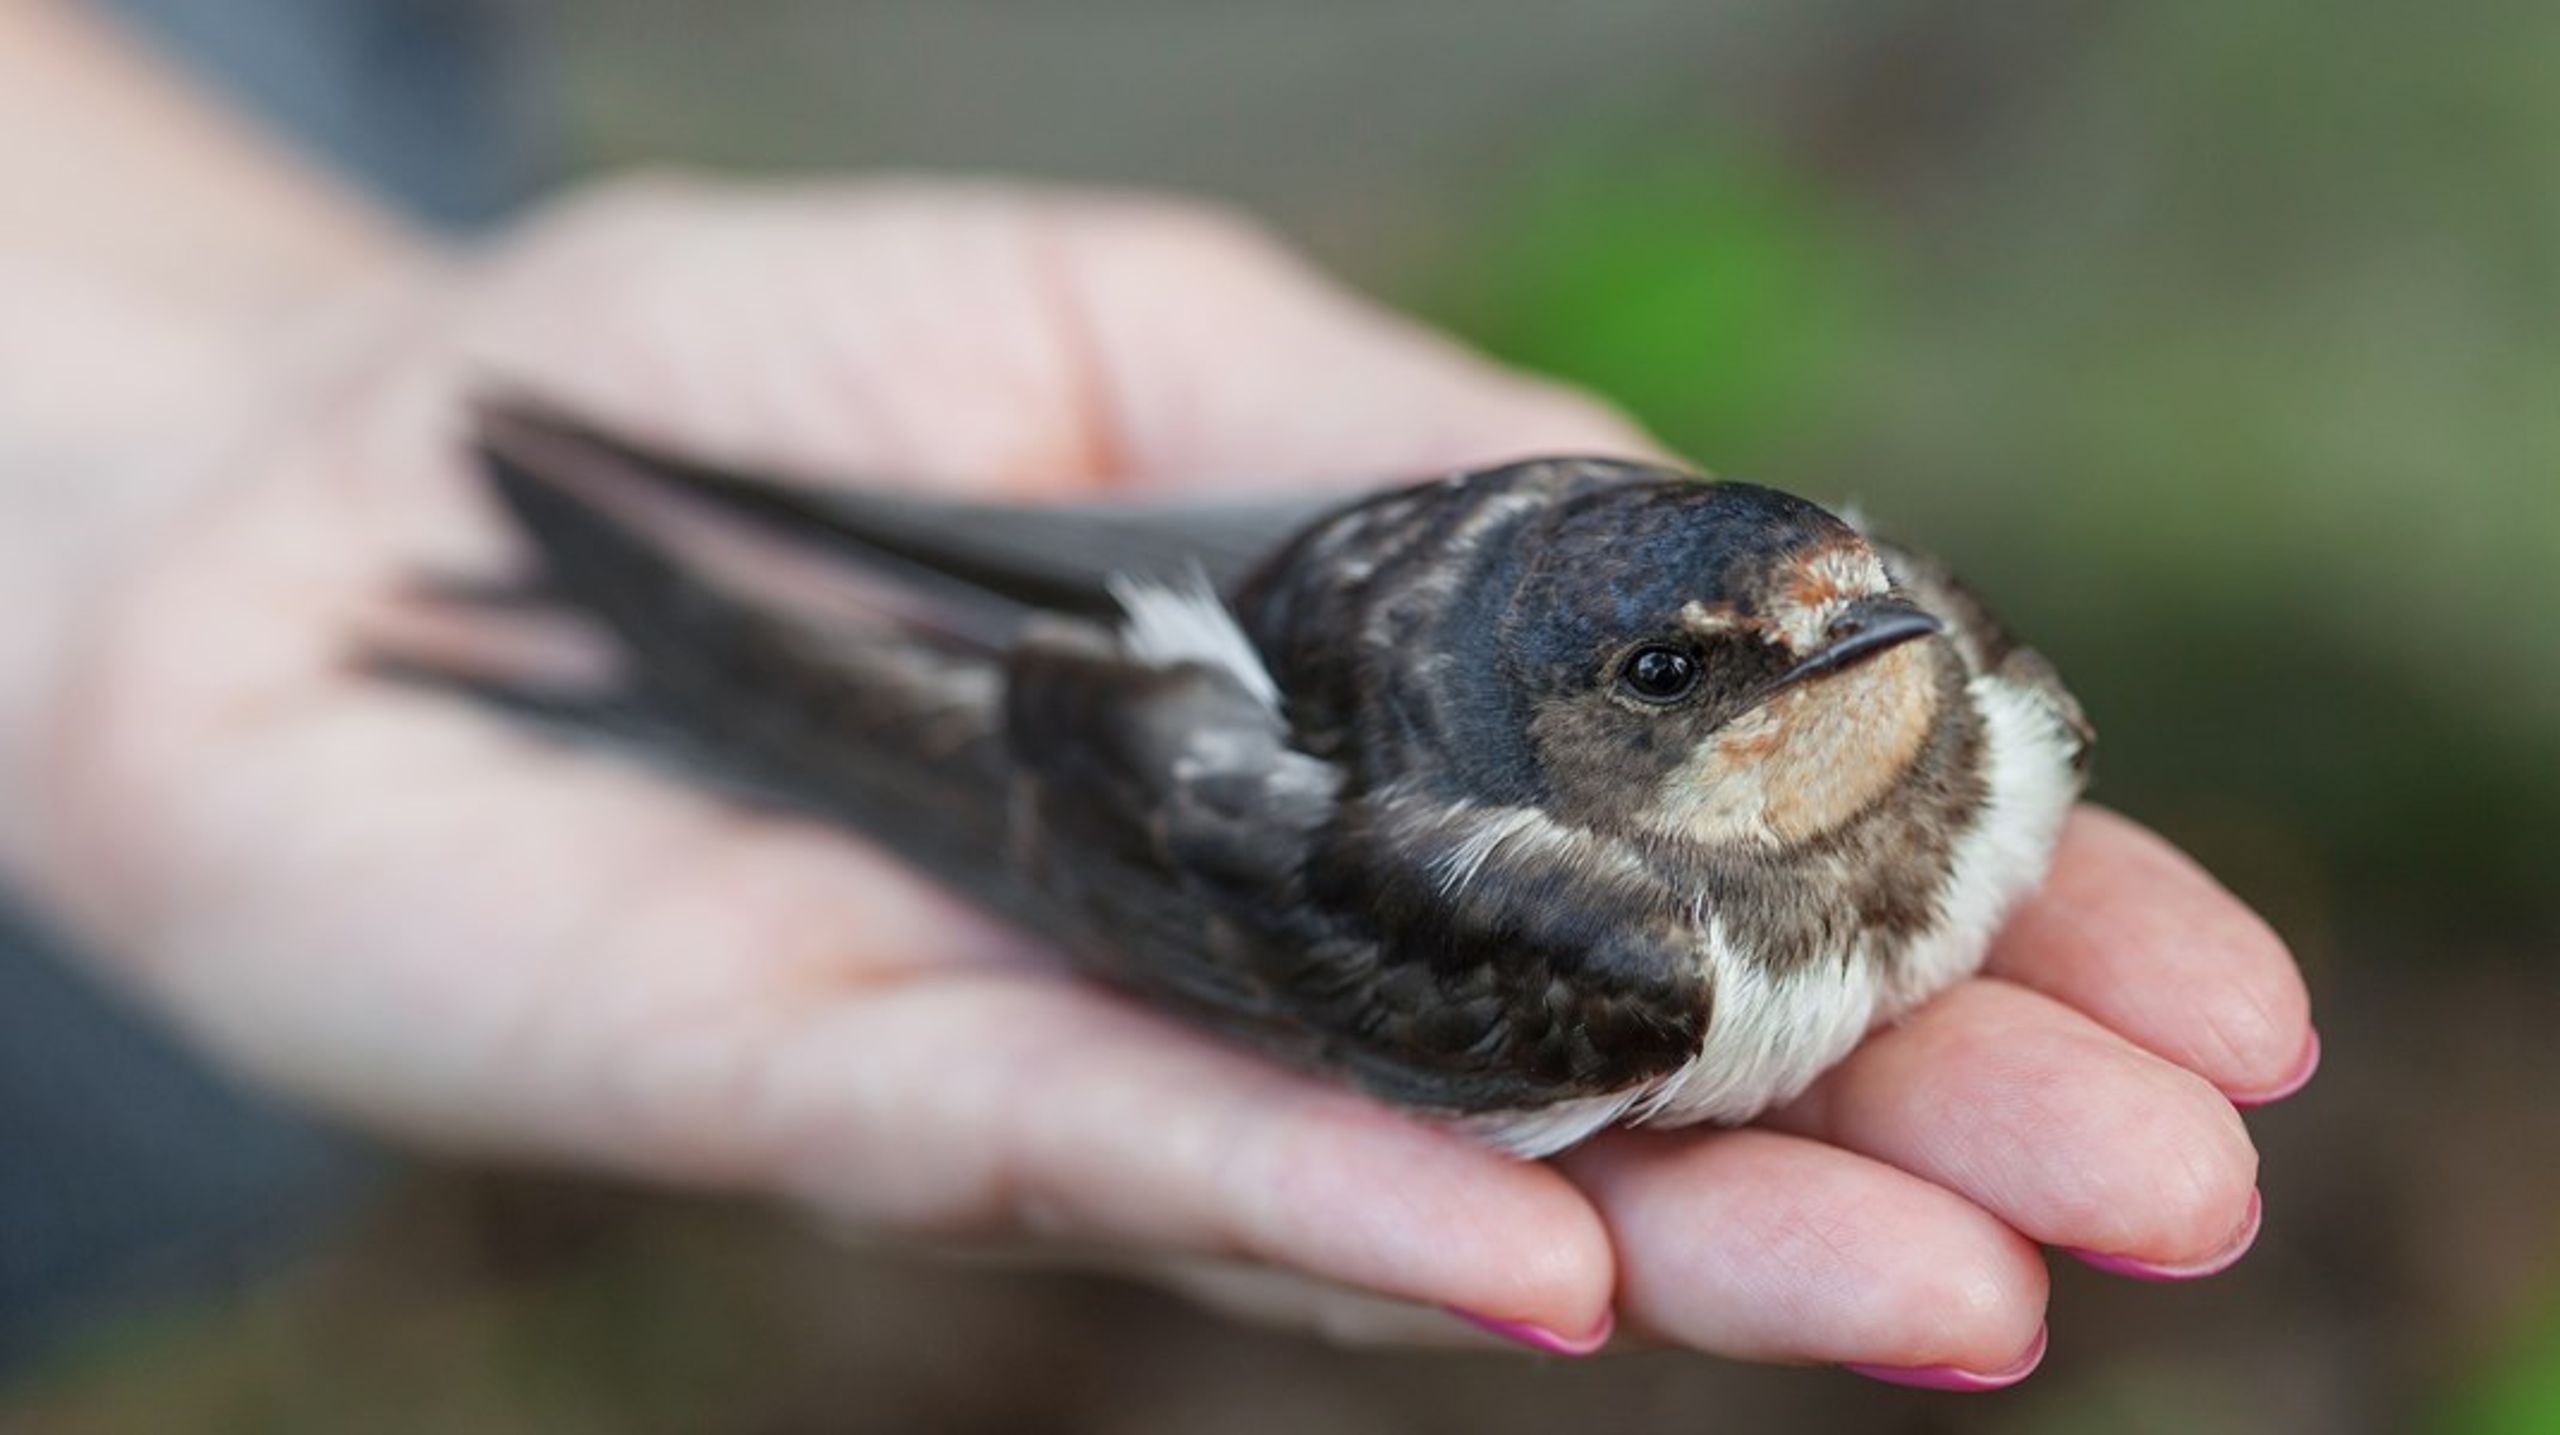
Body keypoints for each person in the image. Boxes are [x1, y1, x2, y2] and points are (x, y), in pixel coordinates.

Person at [0, 0, 2315, 1388]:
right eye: (1709, 669)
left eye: (1851, 602)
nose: (1864, 648)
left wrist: (231, 408)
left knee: (160, 1123)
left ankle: (563, 586)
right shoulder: (1602, 956)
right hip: (1178, 755)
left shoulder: (1961, 699)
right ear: (1605, 719)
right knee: (167, 1128)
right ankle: (631, 628)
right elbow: (1195, 704)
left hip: (1254, 650)